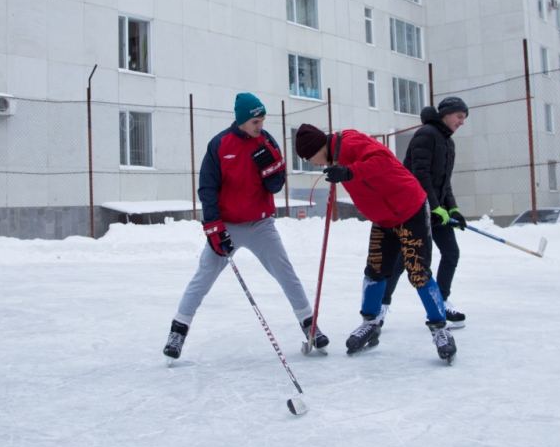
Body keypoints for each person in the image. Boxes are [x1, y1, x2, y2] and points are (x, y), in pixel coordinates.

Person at [163, 93, 328, 362]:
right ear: (241, 120)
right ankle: (178, 331)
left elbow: (275, 187)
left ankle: (310, 325)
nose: (260, 126)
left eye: (262, 120)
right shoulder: (219, 144)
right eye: (255, 121)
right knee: (202, 278)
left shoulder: (265, 141)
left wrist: (272, 171)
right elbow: (207, 188)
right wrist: (214, 226)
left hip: (260, 224)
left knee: (286, 273)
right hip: (227, 225)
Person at [294, 123, 457, 362]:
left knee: (417, 271)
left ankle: (440, 329)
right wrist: (343, 172)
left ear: (320, 146)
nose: (313, 163)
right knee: (375, 270)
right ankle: (370, 324)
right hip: (384, 219)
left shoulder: (350, 143)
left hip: (409, 209)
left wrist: (349, 172)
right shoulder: (333, 159)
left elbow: (383, 160)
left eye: (310, 157)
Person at [380, 97, 469, 329]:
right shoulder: (426, 134)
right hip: (415, 208)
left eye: (464, 118)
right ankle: (380, 308)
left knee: (451, 253)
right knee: (402, 261)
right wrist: (433, 206)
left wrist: (453, 209)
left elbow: (444, 183)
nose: (462, 122)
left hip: (436, 210)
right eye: (459, 116)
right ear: (447, 114)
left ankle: (441, 302)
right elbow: (419, 174)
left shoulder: (449, 143)